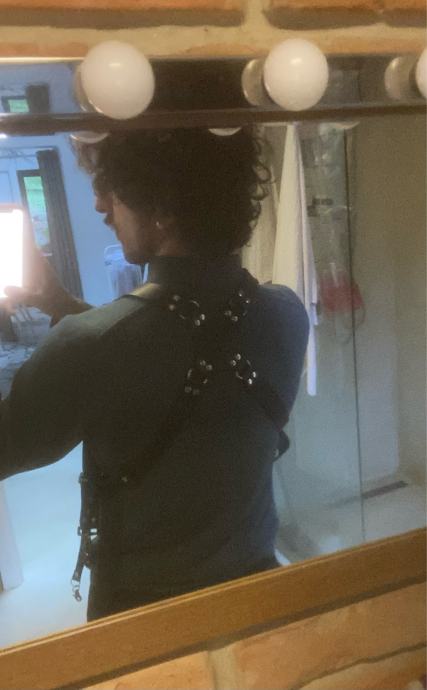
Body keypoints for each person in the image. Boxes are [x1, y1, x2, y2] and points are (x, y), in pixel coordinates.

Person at [0, 127, 309, 621]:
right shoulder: (287, 313)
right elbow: (157, 349)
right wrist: (62, 304)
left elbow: (127, 353)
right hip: (257, 596)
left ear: (163, 206)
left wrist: (66, 316)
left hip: (144, 620)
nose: (100, 205)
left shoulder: (88, 347)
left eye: (113, 187)